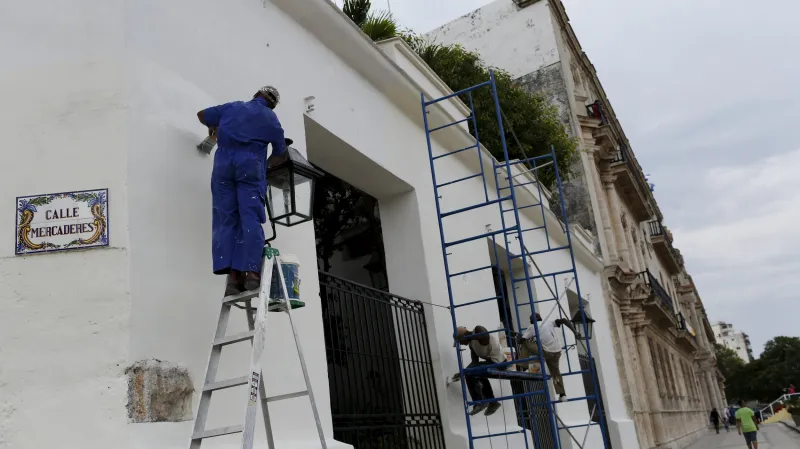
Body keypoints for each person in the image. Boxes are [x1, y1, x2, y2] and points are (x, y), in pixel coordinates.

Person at [196, 86, 287, 296]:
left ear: (256, 95)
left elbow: (201, 115)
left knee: (226, 218)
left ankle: (233, 277)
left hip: (223, 168)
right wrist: (265, 166)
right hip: (250, 168)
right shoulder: (271, 119)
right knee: (250, 218)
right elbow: (280, 153)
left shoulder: (232, 107)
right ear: (272, 103)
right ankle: (252, 272)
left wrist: (215, 126)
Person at [516, 313, 576, 402]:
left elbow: (522, 341)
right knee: (555, 373)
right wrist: (575, 332)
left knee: (527, 344)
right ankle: (562, 394)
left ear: (531, 321)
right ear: (541, 318)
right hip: (557, 352)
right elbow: (564, 320)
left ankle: (523, 366)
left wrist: (519, 337)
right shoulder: (549, 322)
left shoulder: (532, 327)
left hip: (547, 352)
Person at [453, 325, 506, 416]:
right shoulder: (471, 345)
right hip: (491, 363)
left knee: (471, 372)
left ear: (463, 337)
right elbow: (474, 363)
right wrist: (462, 372)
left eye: (460, 341)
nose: (461, 344)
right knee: (474, 372)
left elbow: (484, 335)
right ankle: (492, 402)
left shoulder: (478, 330)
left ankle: (479, 402)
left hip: (499, 363)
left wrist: (468, 336)